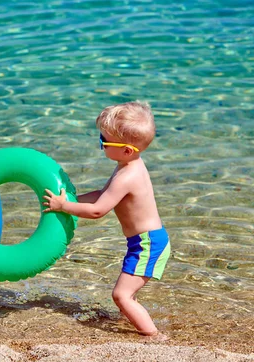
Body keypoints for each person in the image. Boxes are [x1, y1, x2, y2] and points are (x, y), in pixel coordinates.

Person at [42, 101, 170, 339]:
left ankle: (154, 337)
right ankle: (130, 321)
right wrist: (72, 199)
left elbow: (98, 210)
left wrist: (65, 206)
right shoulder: (128, 166)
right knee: (127, 294)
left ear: (127, 150)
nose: (100, 145)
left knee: (120, 295)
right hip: (143, 241)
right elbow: (102, 195)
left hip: (148, 243)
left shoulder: (127, 175)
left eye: (104, 141)